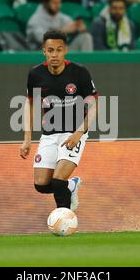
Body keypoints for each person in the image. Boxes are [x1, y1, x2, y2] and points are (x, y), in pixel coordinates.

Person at [20, 30, 98, 212]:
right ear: (44, 52)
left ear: (66, 51)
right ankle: (71, 186)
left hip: (74, 133)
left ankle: (64, 221)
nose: (55, 54)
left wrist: (79, 133)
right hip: (49, 135)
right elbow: (29, 103)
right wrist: (27, 138)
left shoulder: (79, 72)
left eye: (59, 50)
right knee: (40, 184)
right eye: (50, 50)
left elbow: (94, 105)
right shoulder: (35, 74)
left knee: (57, 180)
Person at [26, 0, 93, 51]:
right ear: (45, 3)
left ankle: (88, 63)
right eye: (54, 3)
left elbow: (71, 26)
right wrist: (62, 31)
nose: (58, 6)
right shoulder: (35, 19)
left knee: (86, 37)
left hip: (60, 53)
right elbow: (42, 39)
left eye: (59, 3)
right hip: (40, 55)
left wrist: (80, 28)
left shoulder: (62, 17)